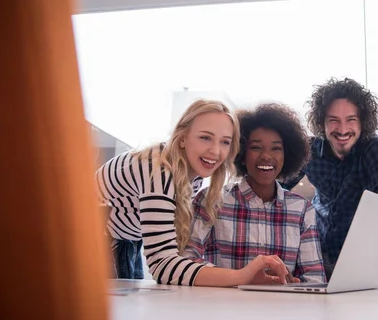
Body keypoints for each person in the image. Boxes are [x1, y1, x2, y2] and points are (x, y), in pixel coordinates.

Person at [96, 99, 291, 286]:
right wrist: (242, 275)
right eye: (205, 137)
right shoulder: (159, 170)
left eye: (225, 142)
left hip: (125, 241)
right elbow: (163, 266)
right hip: (89, 235)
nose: (215, 151)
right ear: (182, 138)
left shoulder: (191, 173)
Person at [283, 78, 378, 288]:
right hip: (315, 258)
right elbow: (277, 188)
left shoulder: (371, 149)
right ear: (321, 122)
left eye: (351, 119)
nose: (342, 129)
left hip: (359, 261)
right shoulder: (310, 150)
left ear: (362, 121)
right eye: (333, 120)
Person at [186, 103, 326, 283]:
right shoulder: (212, 200)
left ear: (287, 155)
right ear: (241, 153)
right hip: (223, 308)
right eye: (256, 147)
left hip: (283, 309)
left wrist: (296, 286)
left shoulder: (302, 209)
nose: (266, 156)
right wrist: (240, 278)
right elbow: (187, 260)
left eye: (276, 148)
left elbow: (315, 279)